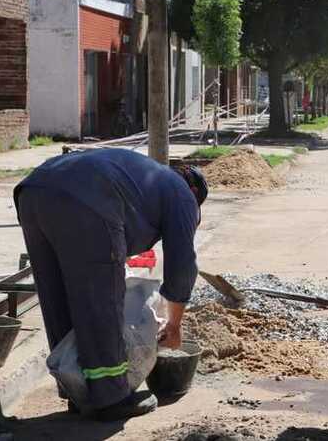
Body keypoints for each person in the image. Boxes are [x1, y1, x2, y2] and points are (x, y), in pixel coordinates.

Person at [14, 148, 208, 420]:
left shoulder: (146, 177)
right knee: (100, 301)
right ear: (195, 195)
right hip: (86, 201)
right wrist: (174, 325)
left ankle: (77, 389)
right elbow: (182, 266)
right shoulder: (183, 196)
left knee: (57, 297)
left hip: (33, 191)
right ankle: (111, 399)